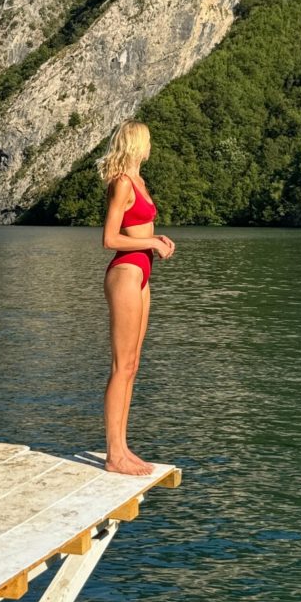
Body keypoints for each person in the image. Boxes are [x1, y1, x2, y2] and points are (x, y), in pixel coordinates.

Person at [100, 120, 175, 474]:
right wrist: (151, 242)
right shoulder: (122, 183)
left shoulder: (140, 182)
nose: (150, 146)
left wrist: (158, 240)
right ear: (136, 143)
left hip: (142, 273)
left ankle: (123, 447)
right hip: (125, 273)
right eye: (147, 140)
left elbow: (140, 229)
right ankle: (114, 455)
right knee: (120, 366)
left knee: (132, 365)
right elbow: (110, 239)